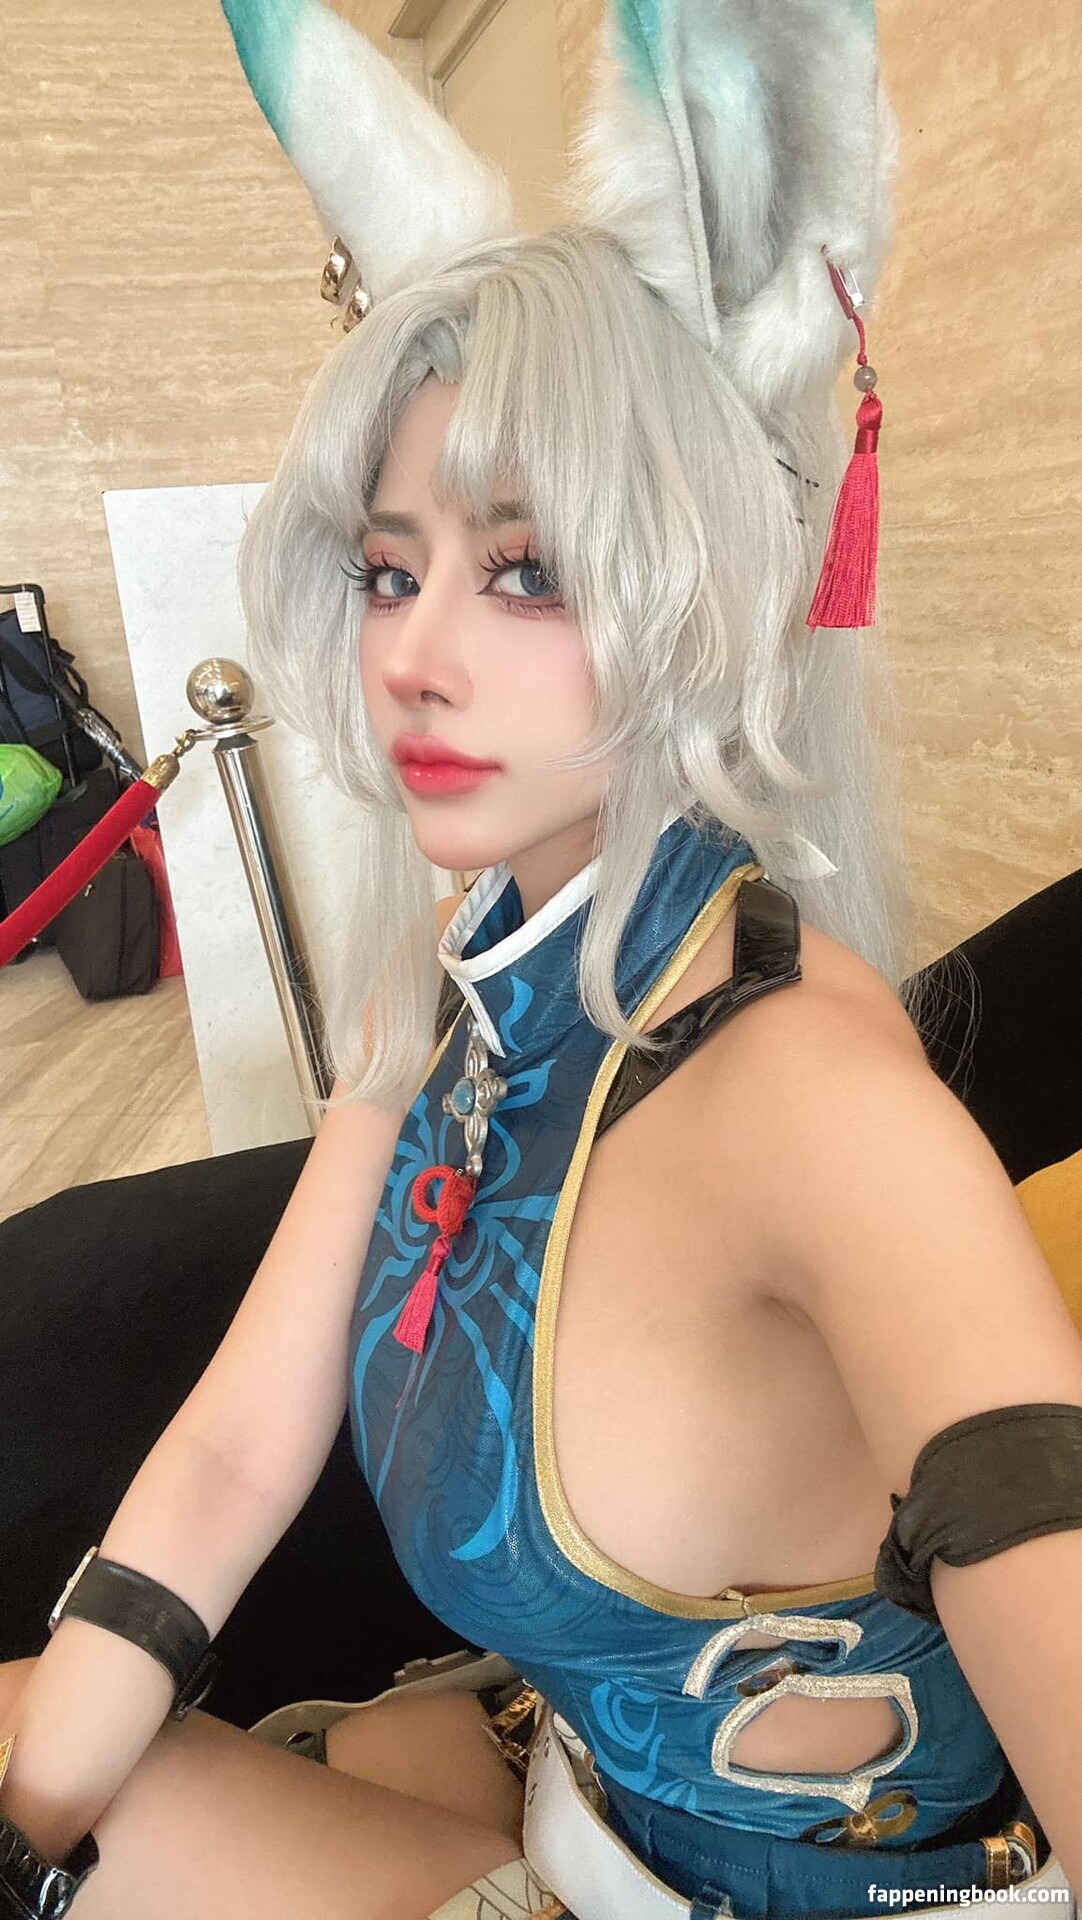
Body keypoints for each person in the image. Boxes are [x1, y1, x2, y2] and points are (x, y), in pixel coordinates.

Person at [3, 4, 1082, 1918]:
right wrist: (29, 1817)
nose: (413, 655)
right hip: (572, 1785)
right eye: (389, 568)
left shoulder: (822, 1108)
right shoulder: (460, 975)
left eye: (525, 569)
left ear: (711, 580)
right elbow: (242, 1443)